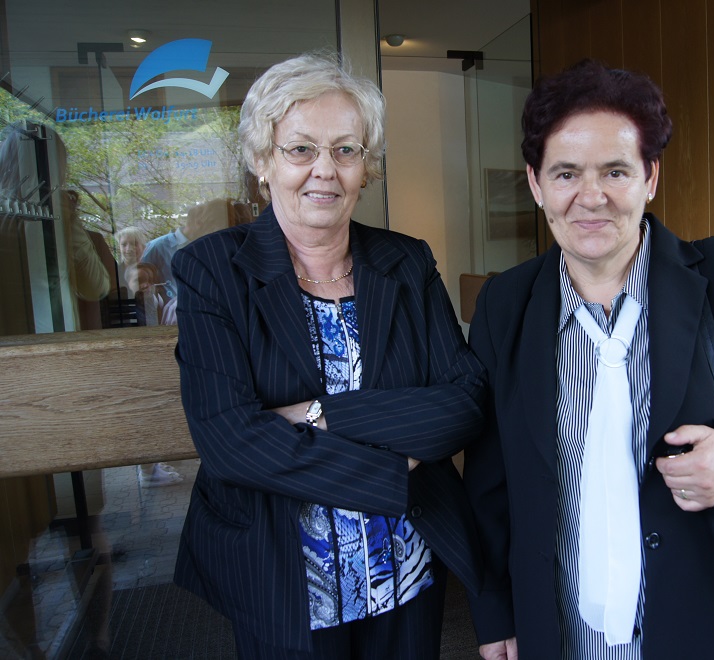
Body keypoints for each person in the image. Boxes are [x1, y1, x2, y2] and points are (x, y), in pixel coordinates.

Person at [462, 60, 714, 660]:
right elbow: (488, 478)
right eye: (565, 173)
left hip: (696, 620)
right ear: (536, 184)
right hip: (558, 626)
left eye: (615, 171)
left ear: (650, 176)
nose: (591, 197)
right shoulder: (507, 303)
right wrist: (494, 610)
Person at [172, 49, 486, 659]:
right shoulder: (211, 270)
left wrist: (320, 414)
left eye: (346, 150)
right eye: (300, 149)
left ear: (366, 167)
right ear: (262, 161)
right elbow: (230, 441)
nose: (325, 170)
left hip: (406, 573)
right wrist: (394, 468)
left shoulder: (406, 260)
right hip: (284, 584)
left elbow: (465, 400)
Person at [141, 198, 229, 299]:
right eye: (211, 225)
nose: (213, 230)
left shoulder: (207, 246)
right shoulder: (157, 247)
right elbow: (142, 282)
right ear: (198, 223)